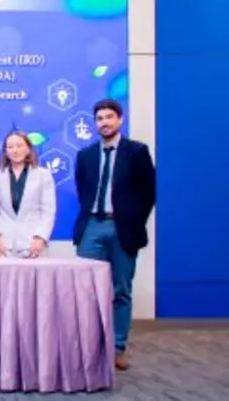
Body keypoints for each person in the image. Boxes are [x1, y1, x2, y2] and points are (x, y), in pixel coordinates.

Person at [73, 99, 156, 371]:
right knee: (86, 290)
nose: (104, 122)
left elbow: (149, 193)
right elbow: (83, 190)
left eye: (109, 117)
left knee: (121, 290)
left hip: (123, 229)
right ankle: (88, 348)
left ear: (120, 120)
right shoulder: (85, 155)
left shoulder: (137, 152)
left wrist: (133, 220)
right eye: (99, 118)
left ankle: (117, 348)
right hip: (92, 226)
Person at [0, 130, 56, 258]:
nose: (15, 150)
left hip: (34, 244)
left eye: (19, 146)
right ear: (5, 151)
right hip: (2, 246)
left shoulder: (43, 175)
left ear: (28, 149)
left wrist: (40, 238)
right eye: (10, 147)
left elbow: (48, 211)